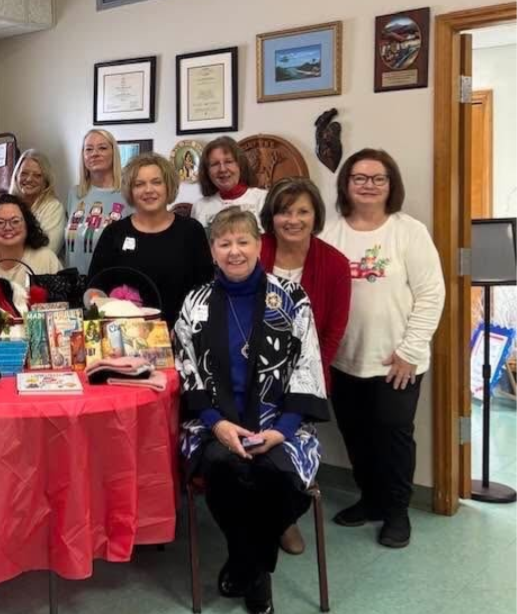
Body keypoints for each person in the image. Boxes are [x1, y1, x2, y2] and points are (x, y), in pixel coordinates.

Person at [176, 207, 329, 614]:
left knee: (276, 475)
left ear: (260, 245)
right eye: (224, 243)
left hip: (281, 425)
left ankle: (245, 565)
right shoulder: (196, 302)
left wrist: (281, 430)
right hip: (214, 425)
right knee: (224, 468)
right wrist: (217, 425)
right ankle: (258, 579)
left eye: (243, 241)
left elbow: (308, 367)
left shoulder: (292, 298)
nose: (235, 251)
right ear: (212, 251)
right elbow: (187, 370)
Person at [321, 149, 444, 548]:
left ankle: (396, 512)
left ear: (392, 185)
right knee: (355, 436)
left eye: (378, 178)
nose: (368, 185)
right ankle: (371, 500)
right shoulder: (330, 234)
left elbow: (431, 295)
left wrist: (410, 351)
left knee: (393, 438)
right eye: (359, 177)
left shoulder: (409, 232)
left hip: (397, 361)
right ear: (346, 184)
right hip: (345, 359)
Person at [258, 177, 351, 555]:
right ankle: (250, 519)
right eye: (284, 211)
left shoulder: (335, 264)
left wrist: (305, 381)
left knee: (289, 453)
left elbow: (333, 333)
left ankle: (284, 520)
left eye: (302, 211)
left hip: (304, 381)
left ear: (316, 216)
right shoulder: (253, 250)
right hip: (249, 376)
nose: (293, 220)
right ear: (271, 216)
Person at [88, 152, 211, 324]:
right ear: (130, 191)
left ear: (168, 186)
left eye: (156, 182)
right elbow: (94, 289)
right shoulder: (114, 233)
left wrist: (187, 330)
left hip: (182, 333)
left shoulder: (191, 231)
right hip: (125, 334)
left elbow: (205, 290)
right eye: (139, 184)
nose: (148, 190)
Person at [65, 129, 133, 273]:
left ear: (114, 153)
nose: (94, 154)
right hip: (73, 283)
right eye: (89, 149)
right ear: (83, 156)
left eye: (102, 148)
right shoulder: (74, 194)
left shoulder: (129, 194)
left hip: (111, 282)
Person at [0, 194, 61, 292]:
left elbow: (62, 297)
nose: (8, 227)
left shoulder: (47, 259)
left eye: (15, 221)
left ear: (27, 225)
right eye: (0, 222)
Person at [191, 136, 268, 230]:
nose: (222, 169)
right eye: (215, 164)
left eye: (228, 162)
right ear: (207, 172)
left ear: (240, 165)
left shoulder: (264, 199)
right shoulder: (200, 207)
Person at [9, 149, 66, 255]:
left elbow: (47, 252)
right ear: (16, 176)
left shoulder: (54, 208)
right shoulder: (6, 206)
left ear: (46, 181)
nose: (29, 179)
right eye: (24, 173)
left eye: (37, 175)